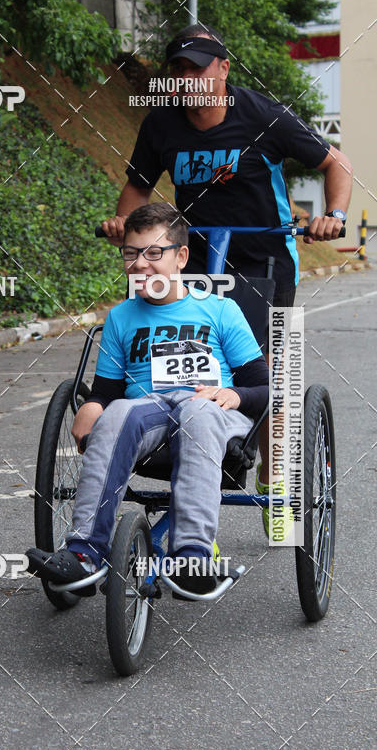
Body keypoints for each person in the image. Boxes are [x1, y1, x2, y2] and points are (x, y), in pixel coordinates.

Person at [100, 24, 352, 540]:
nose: (187, 77)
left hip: (266, 262)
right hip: (189, 260)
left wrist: (335, 214)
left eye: (198, 66)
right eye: (179, 68)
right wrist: (124, 227)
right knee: (182, 356)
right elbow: (137, 189)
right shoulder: (162, 124)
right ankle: (189, 444)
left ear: (222, 69)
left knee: (271, 376)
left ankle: (278, 486)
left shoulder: (262, 116)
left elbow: (335, 163)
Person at [27, 203, 269, 597]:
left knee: (195, 410)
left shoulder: (221, 310)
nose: (140, 264)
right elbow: (106, 391)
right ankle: (85, 552)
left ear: (181, 257)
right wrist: (92, 406)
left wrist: (233, 394)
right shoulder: (122, 317)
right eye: (131, 253)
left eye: (154, 253)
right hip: (149, 414)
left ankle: (191, 554)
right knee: (119, 409)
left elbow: (265, 387)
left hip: (212, 413)